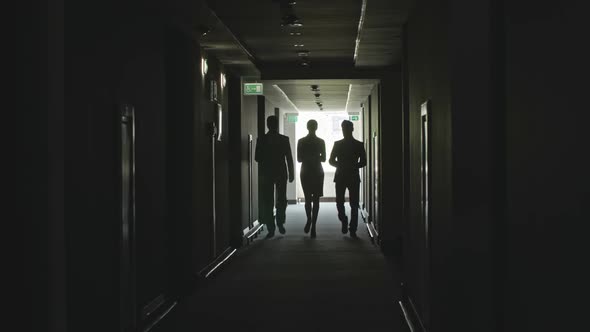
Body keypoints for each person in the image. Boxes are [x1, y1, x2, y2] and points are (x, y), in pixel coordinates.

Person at [255, 115, 294, 238]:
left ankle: (271, 228)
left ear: (268, 125)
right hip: (281, 172)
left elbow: (257, 158)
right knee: (282, 198)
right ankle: (280, 222)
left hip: (266, 173)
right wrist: (291, 173)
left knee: (268, 200)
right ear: (277, 125)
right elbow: (289, 158)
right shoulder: (284, 139)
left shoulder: (261, 139)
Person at [329, 120, 367, 238]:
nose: (344, 131)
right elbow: (330, 160)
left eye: (345, 128)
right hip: (351, 176)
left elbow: (331, 161)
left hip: (343, 175)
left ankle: (350, 225)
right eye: (344, 128)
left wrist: (341, 165)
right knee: (348, 203)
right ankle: (348, 224)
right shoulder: (356, 144)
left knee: (347, 203)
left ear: (350, 129)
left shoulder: (341, 144)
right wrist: (351, 166)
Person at [297, 119, 326, 238]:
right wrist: (315, 157)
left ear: (307, 127)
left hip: (306, 171)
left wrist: (307, 158)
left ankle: (309, 219)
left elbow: (299, 159)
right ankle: (313, 225)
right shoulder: (321, 142)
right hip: (318, 171)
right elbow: (323, 159)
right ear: (316, 127)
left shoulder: (301, 141)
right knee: (316, 200)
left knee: (308, 198)